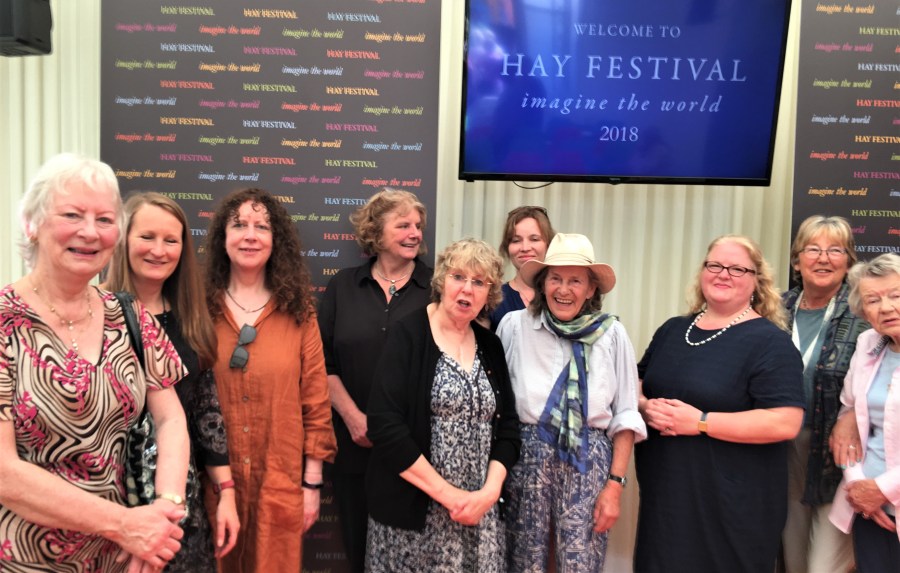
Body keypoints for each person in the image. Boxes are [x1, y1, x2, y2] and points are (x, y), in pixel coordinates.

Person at [0, 153, 189, 571]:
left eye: (105, 219)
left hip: (121, 557)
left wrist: (165, 511)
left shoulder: (129, 314)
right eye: (72, 215)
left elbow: (171, 419)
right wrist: (126, 525)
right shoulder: (4, 323)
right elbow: (4, 472)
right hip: (22, 558)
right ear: (32, 224)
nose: (90, 232)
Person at [634, 234, 805, 573]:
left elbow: (785, 421)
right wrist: (643, 405)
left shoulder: (771, 343)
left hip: (732, 510)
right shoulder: (672, 330)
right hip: (666, 499)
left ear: (757, 281)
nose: (723, 274)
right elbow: (637, 381)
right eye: (715, 265)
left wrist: (700, 422)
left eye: (737, 269)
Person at [365, 238, 520, 572]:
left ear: (490, 294)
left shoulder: (491, 345)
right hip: (413, 520)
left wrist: (488, 494)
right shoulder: (407, 335)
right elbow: (384, 425)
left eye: (479, 282)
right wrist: (450, 497)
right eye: (458, 277)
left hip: (479, 517)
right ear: (441, 281)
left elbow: (508, 428)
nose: (467, 289)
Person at [105, 192, 240, 571]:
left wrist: (226, 493)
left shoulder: (190, 320)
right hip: (111, 502)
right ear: (122, 239)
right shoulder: (94, 312)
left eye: (171, 240)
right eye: (147, 237)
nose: (159, 250)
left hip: (178, 502)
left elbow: (206, 413)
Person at [205, 187, 337, 572]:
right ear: (223, 237)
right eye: (239, 225)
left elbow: (316, 402)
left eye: (262, 227)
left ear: (275, 240)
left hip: (279, 486)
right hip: (213, 486)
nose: (250, 235)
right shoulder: (198, 310)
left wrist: (312, 485)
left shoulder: (300, 314)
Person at [496, 233, 646, 572]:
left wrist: (615, 486)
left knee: (580, 562)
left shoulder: (612, 334)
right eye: (555, 279)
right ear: (542, 283)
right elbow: (499, 406)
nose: (564, 290)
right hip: (526, 456)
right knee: (523, 561)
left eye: (575, 280)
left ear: (591, 289)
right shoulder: (515, 327)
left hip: (588, 459)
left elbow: (626, 414)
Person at [318, 188, 432, 572]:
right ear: (376, 232)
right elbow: (322, 363)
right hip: (354, 448)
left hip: (416, 452)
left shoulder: (436, 288)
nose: (414, 233)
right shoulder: (343, 286)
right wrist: (353, 418)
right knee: (358, 552)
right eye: (403, 225)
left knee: (410, 559)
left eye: (418, 225)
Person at [780, 215, 869, 573]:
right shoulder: (774, 309)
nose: (823, 258)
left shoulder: (864, 311)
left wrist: (852, 415)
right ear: (796, 260)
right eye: (813, 249)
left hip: (839, 457)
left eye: (835, 250)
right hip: (783, 451)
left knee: (823, 567)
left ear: (848, 261)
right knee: (793, 560)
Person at [828, 253, 900, 572]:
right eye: (873, 300)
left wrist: (882, 490)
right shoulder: (868, 342)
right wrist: (858, 486)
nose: (885, 307)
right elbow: (849, 420)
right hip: (867, 507)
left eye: (896, 295)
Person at [488, 205, 555, 330]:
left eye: (534, 239)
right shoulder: (493, 299)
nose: (525, 248)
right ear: (507, 247)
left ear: (548, 245)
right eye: (516, 240)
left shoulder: (561, 297)